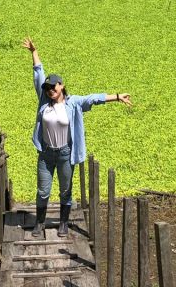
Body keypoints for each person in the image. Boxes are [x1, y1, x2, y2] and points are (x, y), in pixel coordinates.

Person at [23, 37, 132, 237]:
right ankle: (39, 223)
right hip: (46, 154)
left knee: (65, 190)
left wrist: (117, 97)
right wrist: (34, 52)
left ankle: (63, 222)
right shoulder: (43, 103)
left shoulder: (73, 103)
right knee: (43, 190)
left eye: (53, 87)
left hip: (65, 153)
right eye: (47, 88)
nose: (50, 91)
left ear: (62, 86)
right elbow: (39, 74)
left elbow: (94, 98)